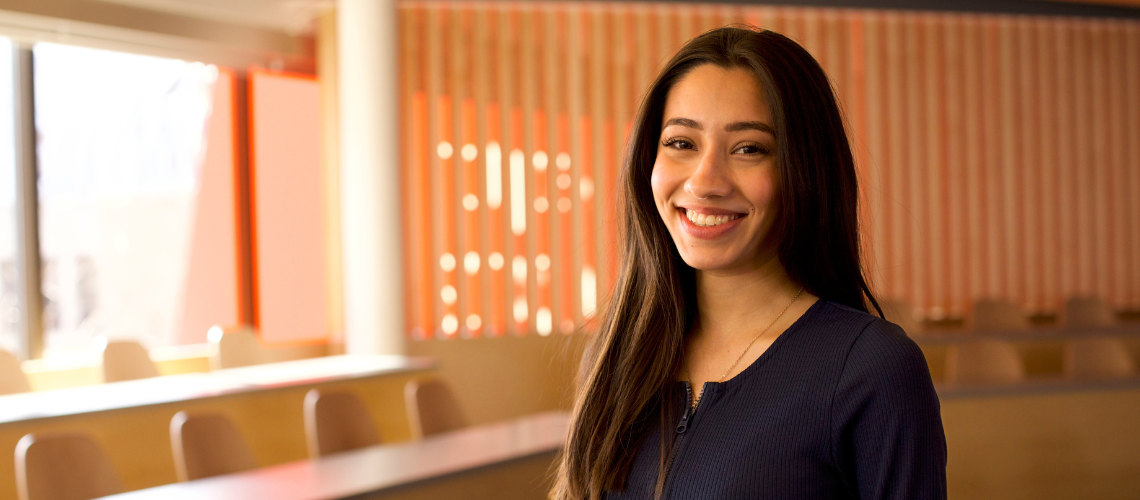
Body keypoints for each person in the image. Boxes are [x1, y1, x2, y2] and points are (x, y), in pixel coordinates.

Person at [551, 27, 946, 500]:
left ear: (804, 171)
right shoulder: (617, 354)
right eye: (681, 142)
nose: (705, 182)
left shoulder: (870, 368)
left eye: (749, 149)